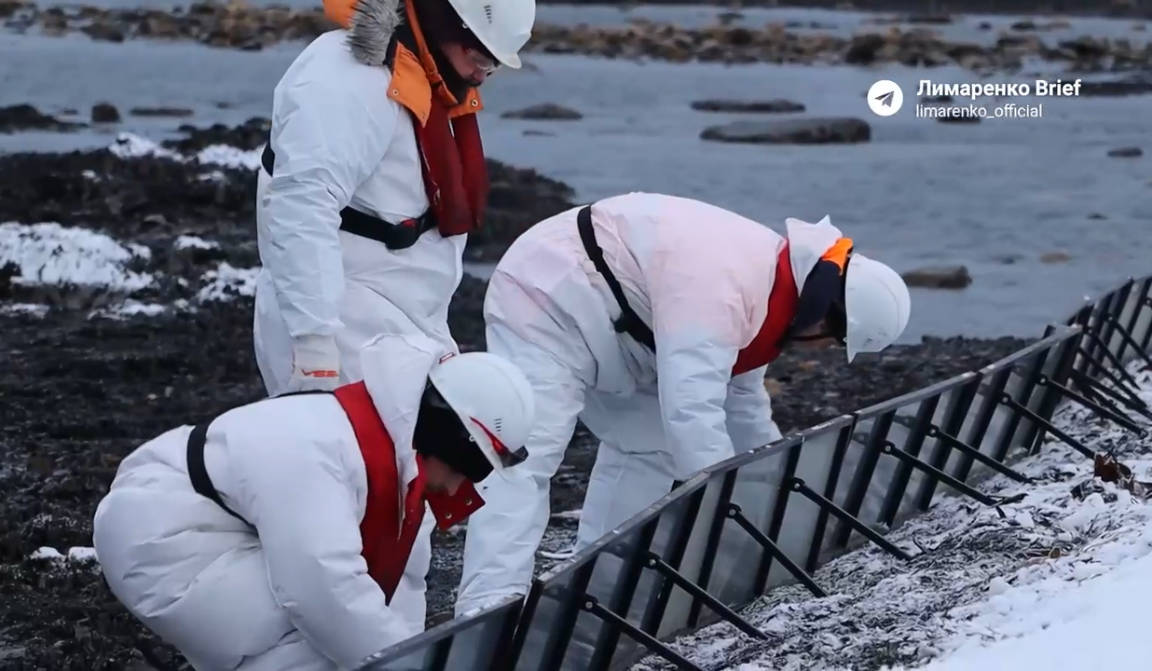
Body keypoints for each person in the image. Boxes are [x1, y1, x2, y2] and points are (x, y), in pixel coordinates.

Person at [455, 192, 912, 616]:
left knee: (650, 449)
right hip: (548, 292)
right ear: (828, 315)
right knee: (524, 455)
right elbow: (692, 410)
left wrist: (778, 495)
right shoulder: (726, 282)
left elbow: (745, 407)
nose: (823, 349)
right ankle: (489, 608)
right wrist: (727, 509)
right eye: (835, 340)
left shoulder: (775, 288)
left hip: (618, 326)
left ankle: (597, 597)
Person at [93, 334, 535, 670]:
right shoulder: (319, 448)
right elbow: (323, 589)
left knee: (339, 639)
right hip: (161, 528)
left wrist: (411, 657)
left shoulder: (398, 459)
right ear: (447, 433)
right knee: (304, 647)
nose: (463, 486)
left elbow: (402, 585)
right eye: (473, 466)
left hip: (224, 522)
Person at [252, 0, 535, 396]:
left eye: (493, 65)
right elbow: (301, 202)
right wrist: (315, 345)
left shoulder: (423, 78)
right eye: (478, 57)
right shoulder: (348, 77)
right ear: (443, 24)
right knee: (352, 459)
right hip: (345, 335)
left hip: (406, 326)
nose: (481, 75)